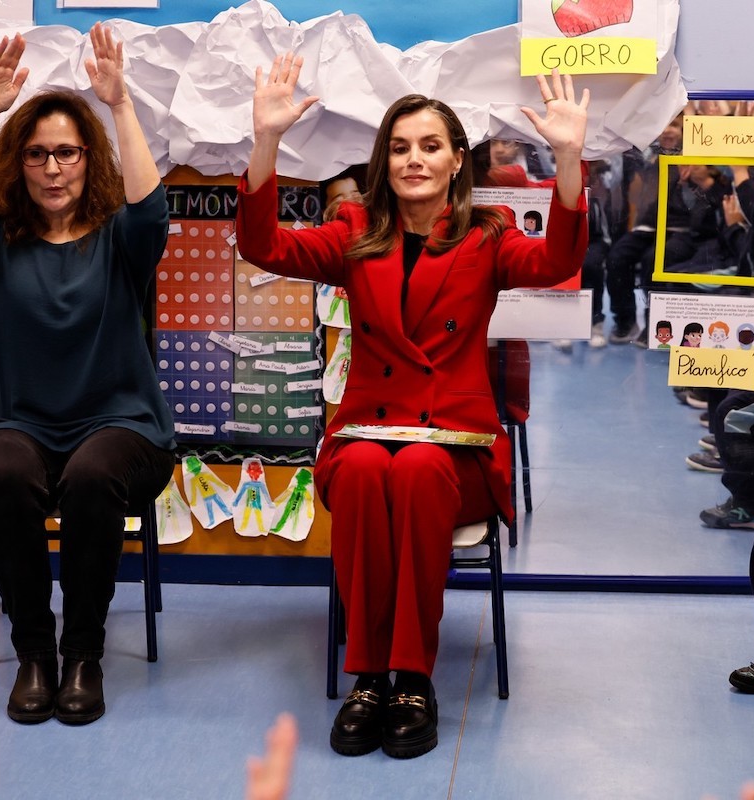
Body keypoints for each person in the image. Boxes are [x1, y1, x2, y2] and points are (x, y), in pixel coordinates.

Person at [235, 54, 589, 759]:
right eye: (399, 148)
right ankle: (368, 676)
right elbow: (263, 244)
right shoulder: (354, 230)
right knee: (368, 469)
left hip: (453, 448)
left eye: (429, 146)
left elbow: (555, 260)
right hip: (366, 429)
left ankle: (411, 679)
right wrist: (266, 140)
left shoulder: (486, 236)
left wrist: (570, 157)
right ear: (382, 161)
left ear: (458, 160)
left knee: (418, 472)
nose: (413, 160)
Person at [0, 25, 176, 726]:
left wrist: (118, 104)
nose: (53, 168)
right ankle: (35, 654)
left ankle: (84, 655)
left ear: (86, 158)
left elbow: (149, 208)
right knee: (4, 470)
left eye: (66, 152)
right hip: (13, 426)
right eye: (37, 155)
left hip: (123, 430)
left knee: (94, 475)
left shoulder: (122, 244)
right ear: (20, 164)